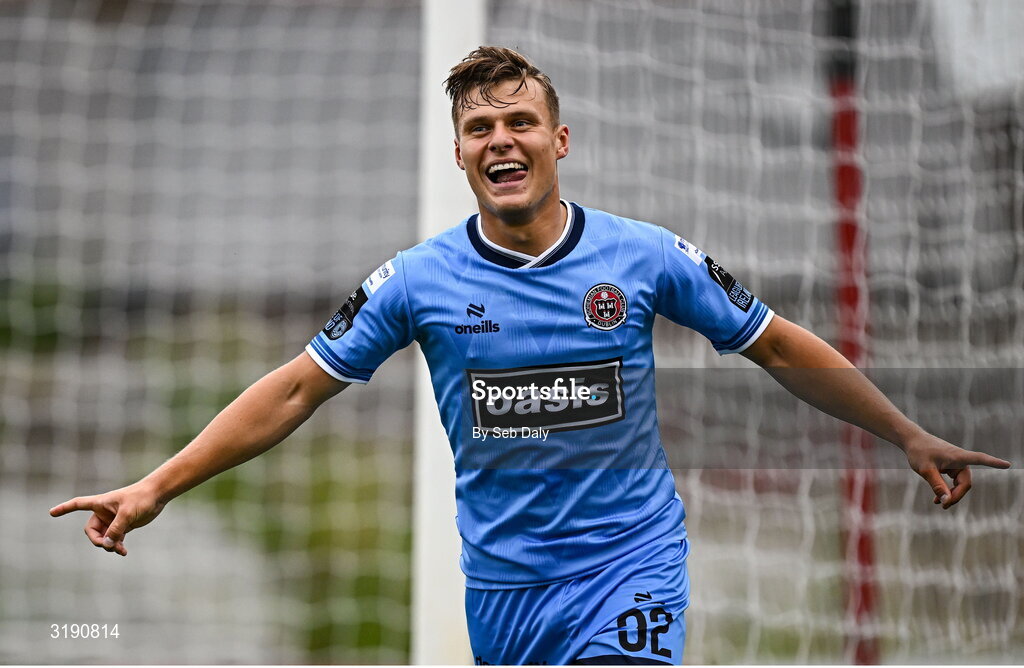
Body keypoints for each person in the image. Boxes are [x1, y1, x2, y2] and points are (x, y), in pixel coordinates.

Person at [51, 46, 1011, 665]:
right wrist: (156, 486)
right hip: (504, 592)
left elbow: (778, 345)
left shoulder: (643, 256)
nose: (501, 140)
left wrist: (906, 433)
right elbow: (298, 387)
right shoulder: (416, 283)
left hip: (630, 565)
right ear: (461, 154)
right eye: (480, 128)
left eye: (518, 123)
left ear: (558, 141)